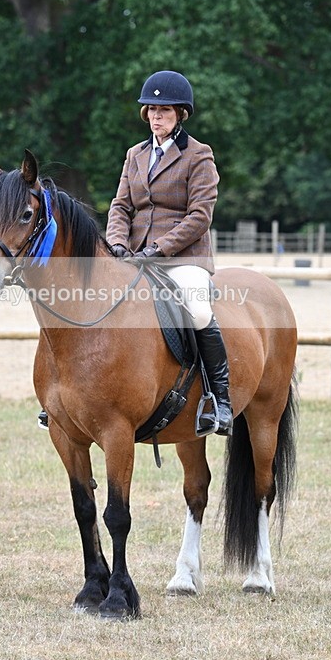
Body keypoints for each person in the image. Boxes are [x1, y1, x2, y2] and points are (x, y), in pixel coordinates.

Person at [106, 70, 233, 436]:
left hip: (182, 258)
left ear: (180, 114)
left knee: (196, 307)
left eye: (164, 110)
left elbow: (199, 217)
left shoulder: (199, 156)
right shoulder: (135, 154)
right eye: (151, 109)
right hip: (132, 254)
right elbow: (120, 207)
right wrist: (117, 243)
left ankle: (218, 402)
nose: (156, 116)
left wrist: (158, 249)